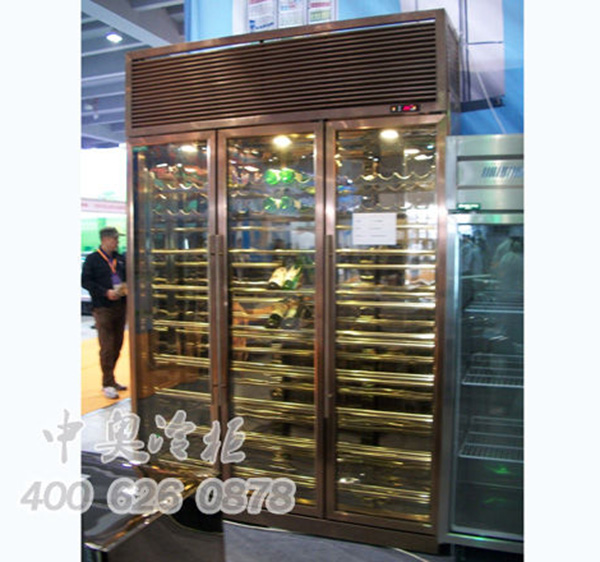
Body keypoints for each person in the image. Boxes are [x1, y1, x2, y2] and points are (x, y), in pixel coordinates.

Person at [82, 227, 128, 399]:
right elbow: (86, 281)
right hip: (103, 308)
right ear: (105, 240)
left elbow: (126, 278)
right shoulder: (93, 260)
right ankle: (107, 383)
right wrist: (104, 292)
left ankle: (111, 379)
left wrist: (125, 289)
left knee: (117, 345)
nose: (117, 242)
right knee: (107, 346)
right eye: (115, 239)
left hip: (120, 306)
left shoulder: (120, 259)